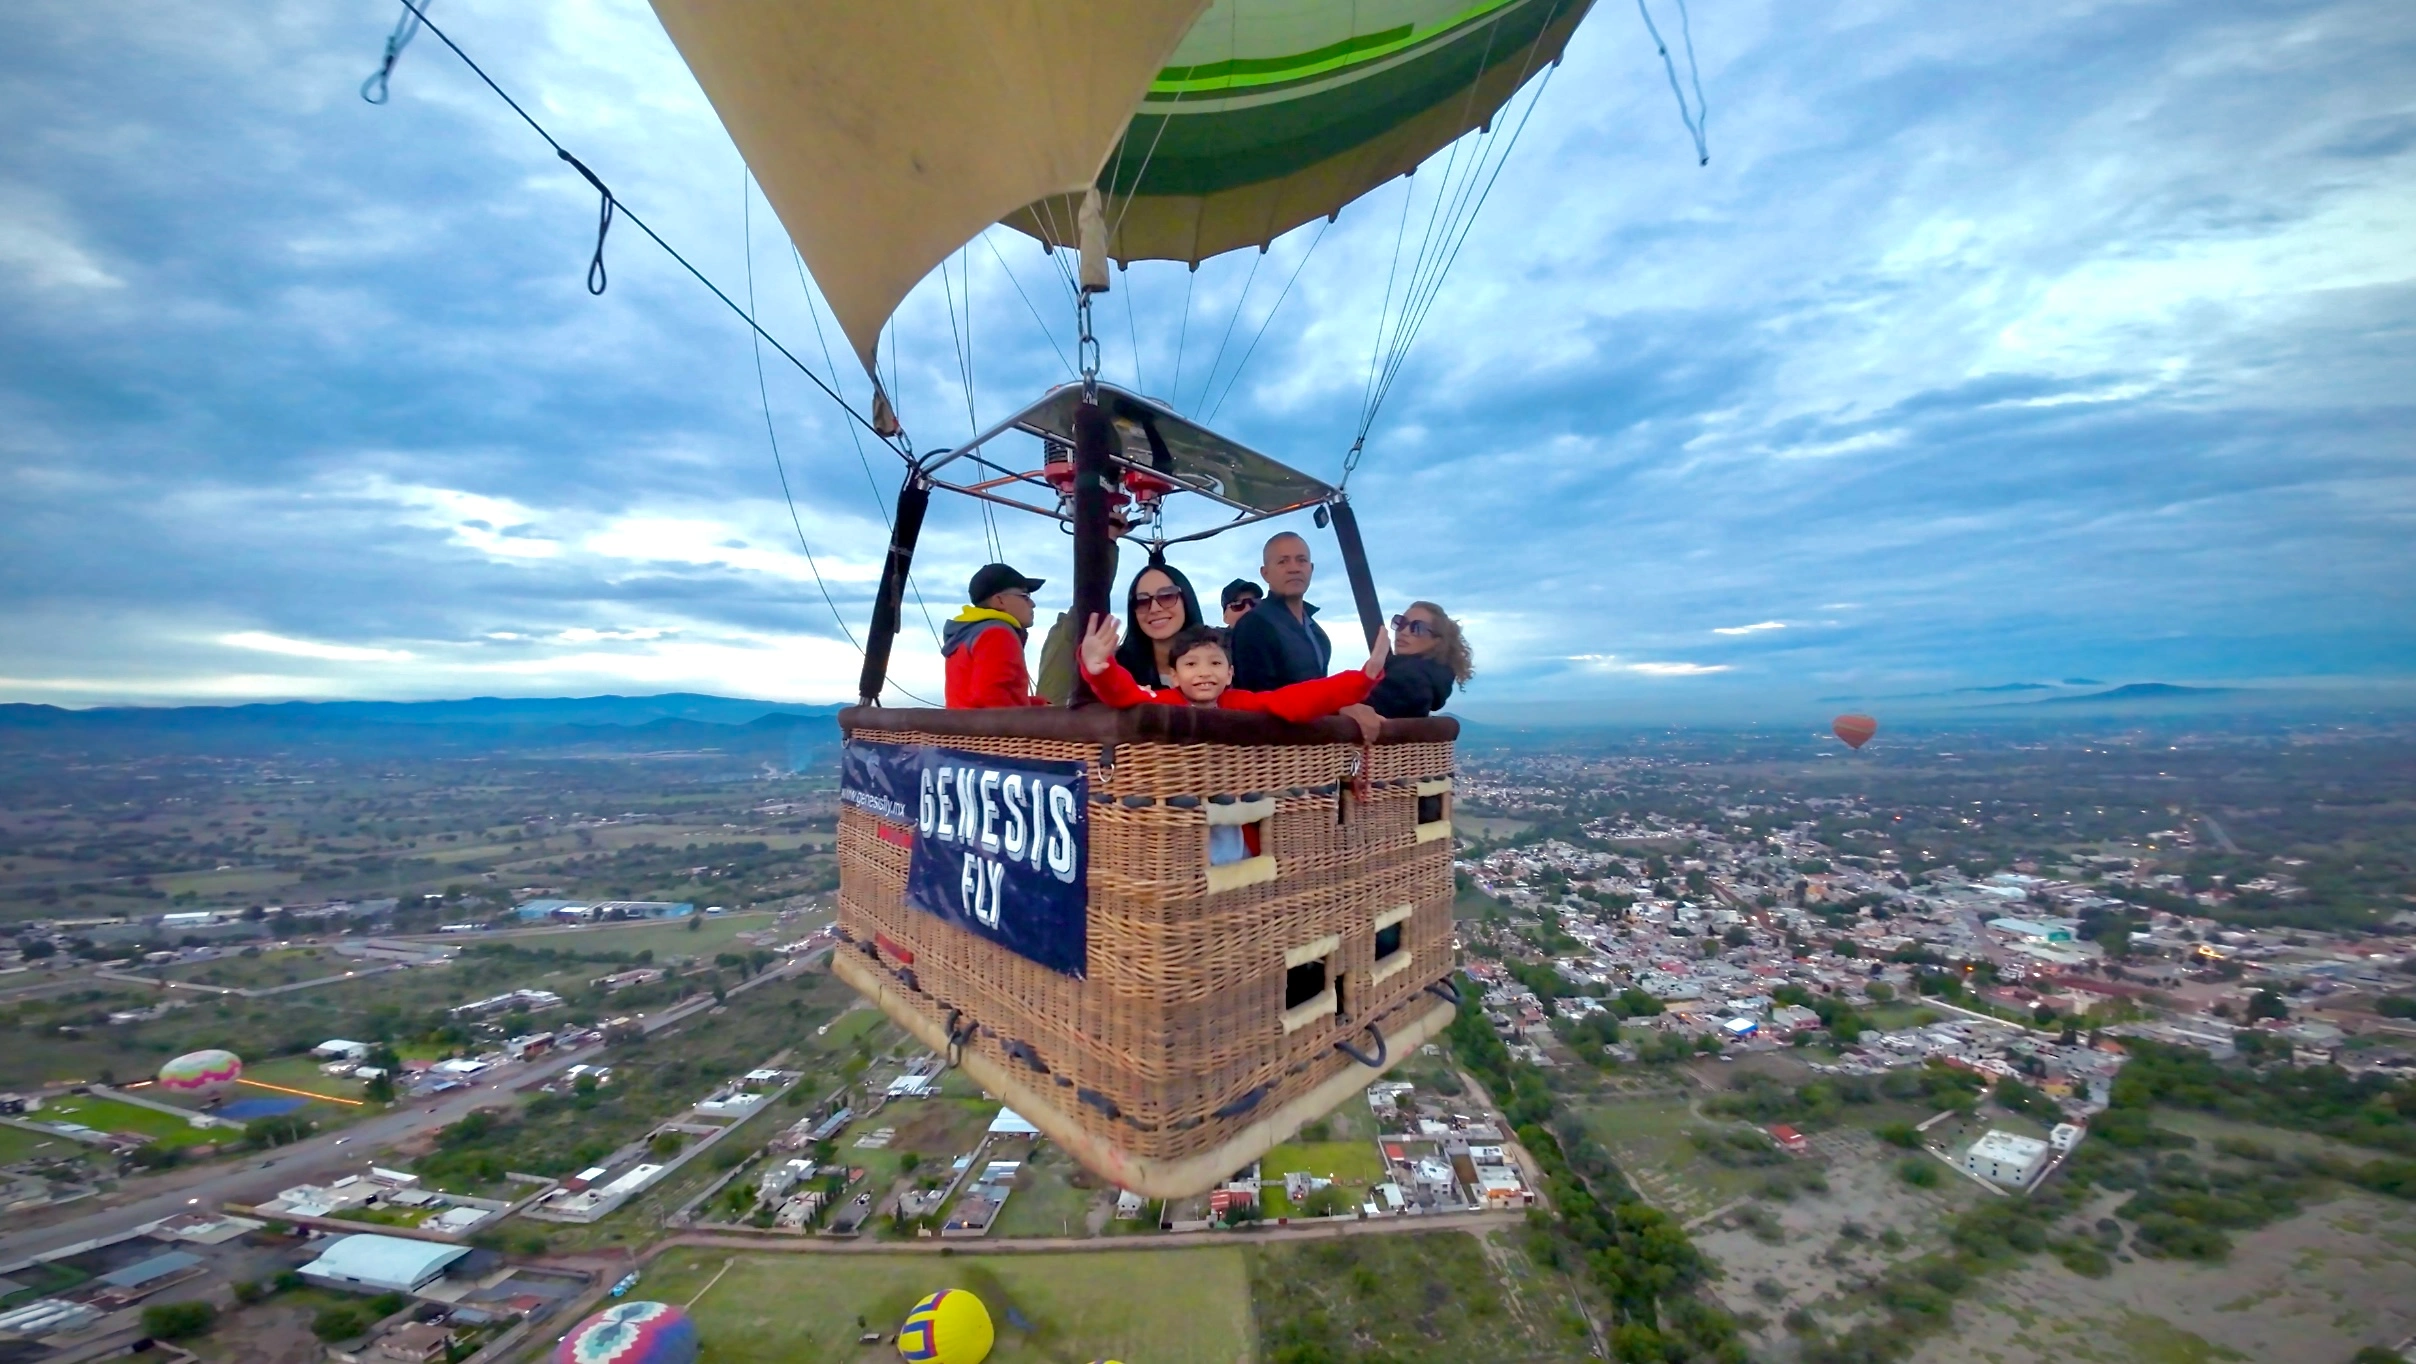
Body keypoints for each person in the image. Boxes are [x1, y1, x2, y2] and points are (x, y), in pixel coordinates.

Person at [1076, 614, 1388, 724]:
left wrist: (1363, 679)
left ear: (1229, 674)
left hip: (1231, 804)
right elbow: (1124, 694)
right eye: (1190, 664)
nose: (1204, 672)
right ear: (1173, 677)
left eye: (1215, 663)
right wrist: (1100, 669)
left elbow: (1298, 700)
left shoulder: (1240, 704)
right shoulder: (1162, 704)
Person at [1032, 508, 1132, 704]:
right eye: (1024, 596)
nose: (1031, 602)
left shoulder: (1057, 637)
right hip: (1064, 727)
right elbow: (1094, 590)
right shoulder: (1069, 631)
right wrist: (1109, 539)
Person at [1227, 532, 1328, 691]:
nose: (1294, 568)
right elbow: (1258, 699)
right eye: (1283, 562)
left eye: (1301, 560)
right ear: (1265, 573)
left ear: (1311, 568)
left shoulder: (1318, 634)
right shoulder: (1254, 625)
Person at [942, 562, 1049, 708]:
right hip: (988, 730)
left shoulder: (968, 633)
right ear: (999, 601)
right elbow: (991, 699)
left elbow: (983, 699)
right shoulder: (998, 635)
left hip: (963, 727)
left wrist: (1036, 704)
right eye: (1025, 596)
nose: (1032, 603)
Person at [1365, 601, 1472, 719]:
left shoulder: (1408, 678)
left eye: (1418, 628)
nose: (1404, 632)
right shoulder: (1430, 678)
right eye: (1401, 623)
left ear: (1436, 641)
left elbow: (1367, 712)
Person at [1114, 560, 1208, 689]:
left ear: (1186, 600)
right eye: (1142, 601)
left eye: (1167, 596)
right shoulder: (1117, 669)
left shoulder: (1220, 660)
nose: (1154, 609)